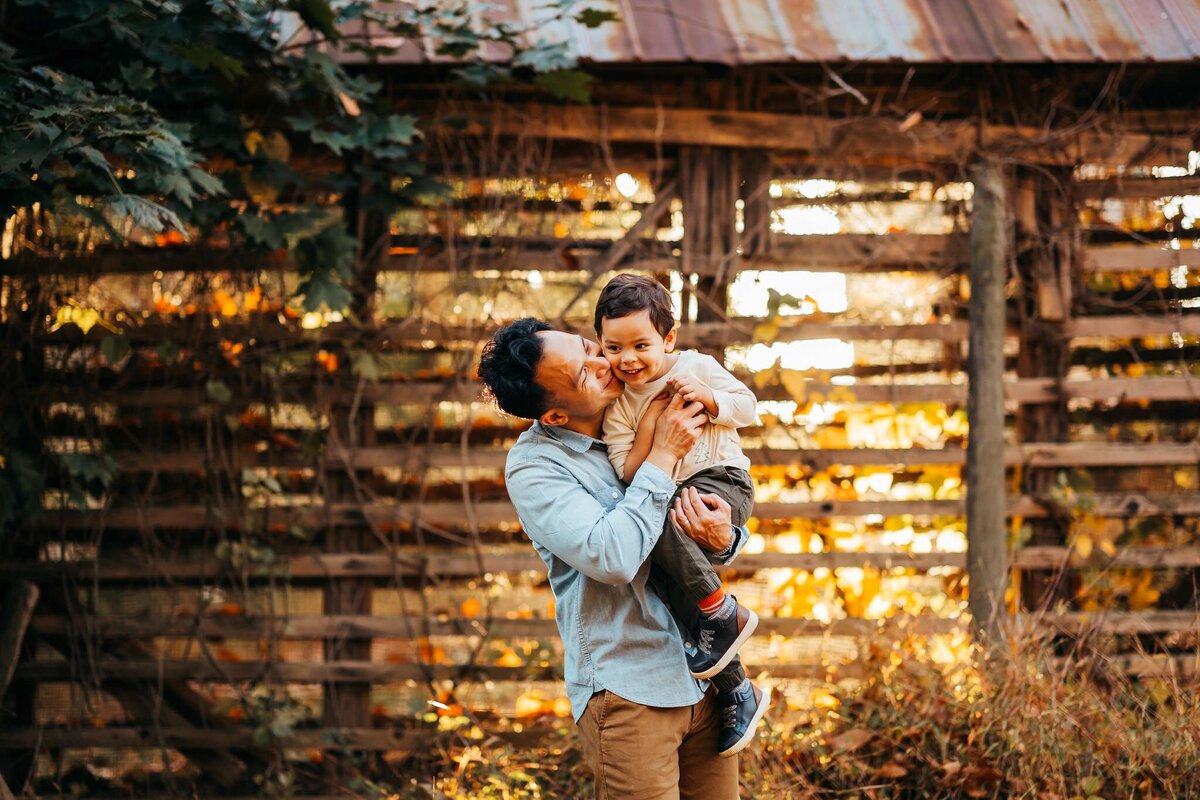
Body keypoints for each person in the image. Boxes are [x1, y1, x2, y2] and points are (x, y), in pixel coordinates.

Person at [477, 318, 762, 799]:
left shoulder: (644, 396)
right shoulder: (536, 467)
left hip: (703, 679)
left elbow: (700, 515)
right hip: (630, 692)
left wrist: (725, 535)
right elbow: (613, 556)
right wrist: (662, 456)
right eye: (583, 373)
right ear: (555, 417)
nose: (604, 362)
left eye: (590, 347)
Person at [595, 274, 769, 757]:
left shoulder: (697, 366)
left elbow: (747, 406)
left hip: (721, 482)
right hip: (669, 493)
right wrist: (652, 419)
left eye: (641, 345)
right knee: (667, 584)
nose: (627, 359)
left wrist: (709, 399)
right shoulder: (619, 407)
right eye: (613, 347)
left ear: (668, 339)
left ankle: (719, 612)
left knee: (659, 524)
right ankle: (736, 686)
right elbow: (629, 470)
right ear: (600, 344)